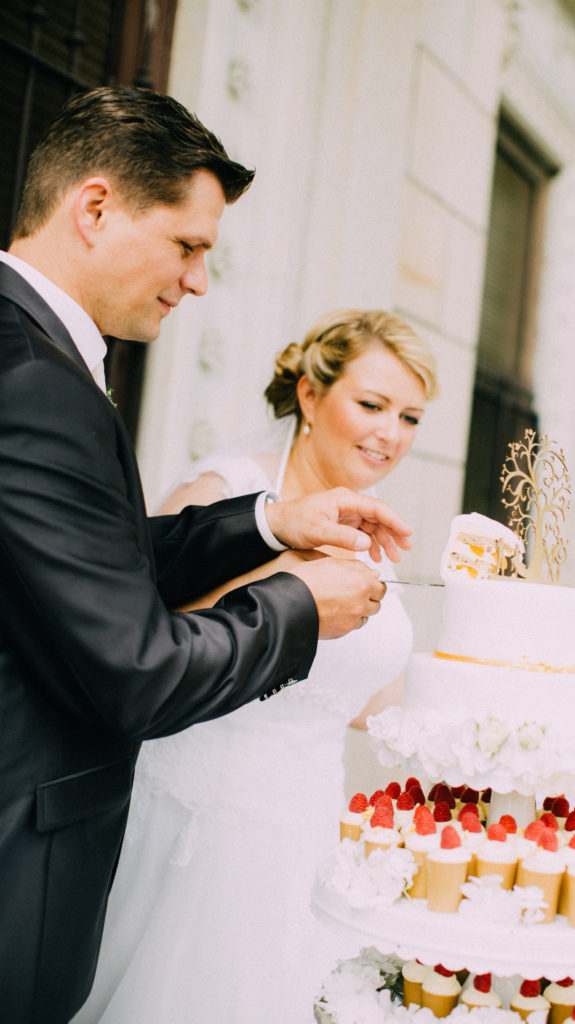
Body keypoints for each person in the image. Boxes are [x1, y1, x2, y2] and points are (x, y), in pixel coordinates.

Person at [0, 88, 413, 1024]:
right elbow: (138, 671)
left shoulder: (35, 357)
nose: (197, 282)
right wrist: (301, 603)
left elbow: (98, 562)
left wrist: (269, 524)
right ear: (95, 207)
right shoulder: (33, 379)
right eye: (187, 247)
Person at [74, 309, 438, 1023]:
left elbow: (360, 696)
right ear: (308, 395)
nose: (389, 434)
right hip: (200, 822)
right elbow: (155, 644)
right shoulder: (222, 495)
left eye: (410, 416)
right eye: (371, 405)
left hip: (304, 828)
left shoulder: (365, 525)